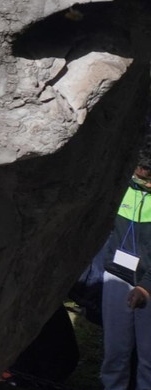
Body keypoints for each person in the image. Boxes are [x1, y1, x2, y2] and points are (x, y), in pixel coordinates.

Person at [99, 149, 151, 390]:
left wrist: (145, 287)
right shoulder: (121, 184)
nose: (143, 180)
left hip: (147, 285)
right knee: (115, 351)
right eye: (140, 174)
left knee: (148, 359)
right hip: (116, 276)